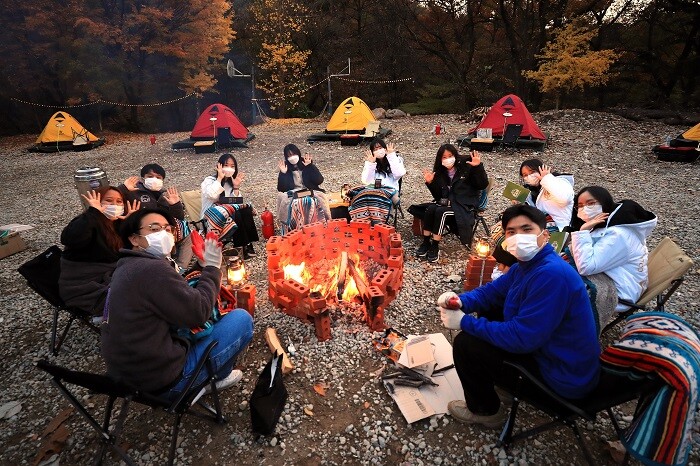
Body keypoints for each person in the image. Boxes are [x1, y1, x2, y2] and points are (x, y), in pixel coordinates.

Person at [437, 204, 600, 428]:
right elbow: (492, 292)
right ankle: (503, 386)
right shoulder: (527, 265)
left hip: (561, 377)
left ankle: (485, 411)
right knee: (492, 307)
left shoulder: (551, 275)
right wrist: (461, 300)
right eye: (511, 232)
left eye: (526, 229)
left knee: (466, 343)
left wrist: (465, 322)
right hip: (549, 352)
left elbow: (522, 338)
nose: (518, 237)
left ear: (544, 235)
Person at [101, 208, 254, 401]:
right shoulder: (151, 269)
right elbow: (199, 312)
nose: (164, 234)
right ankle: (211, 379)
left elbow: (174, 294)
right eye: (155, 228)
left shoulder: (127, 267)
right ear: (134, 239)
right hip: (165, 383)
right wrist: (213, 268)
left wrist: (201, 266)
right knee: (241, 319)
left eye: (167, 229)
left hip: (126, 380)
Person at [570, 186, 657, 312]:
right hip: (614, 278)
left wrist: (583, 231)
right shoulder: (607, 224)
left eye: (591, 203)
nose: (585, 209)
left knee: (557, 285)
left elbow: (586, 266)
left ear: (604, 203)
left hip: (619, 293)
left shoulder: (618, 235)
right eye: (580, 205)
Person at [59, 187, 139, 317]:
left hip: (108, 278)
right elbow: (69, 238)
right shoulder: (88, 222)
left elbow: (127, 250)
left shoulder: (115, 225)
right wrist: (94, 213)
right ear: (98, 203)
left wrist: (130, 223)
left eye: (119, 202)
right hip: (87, 288)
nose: (115, 205)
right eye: (108, 200)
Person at [414, 144, 488, 262]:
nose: (447, 159)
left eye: (450, 156)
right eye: (444, 157)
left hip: (464, 206)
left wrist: (478, 167)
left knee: (440, 211)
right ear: (440, 159)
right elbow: (438, 196)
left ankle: (435, 246)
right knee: (430, 209)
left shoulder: (467, 167)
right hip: (447, 204)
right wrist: (430, 183)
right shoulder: (440, 173)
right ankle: (426, 242)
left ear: (455, 156)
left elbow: (482, 184)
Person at [119, 163, 192, 269]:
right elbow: (111, 200)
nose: (154, 179)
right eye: (150, 176)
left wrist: (175, 205)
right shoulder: (133, 192)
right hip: (141, 231)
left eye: (158, 177)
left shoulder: (165, 195)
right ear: (143, 178)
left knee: (186, 230)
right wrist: (123, 189)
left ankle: (180, 268)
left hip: (160, 228)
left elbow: (177, 219)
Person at [201, 154, 259, 258]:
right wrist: (219, 178)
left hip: (229, 214)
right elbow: (212, 195)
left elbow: (237, 202)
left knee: (245, 209)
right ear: (219, 166)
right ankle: (241, 245)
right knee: (235, 211)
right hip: (212, 217)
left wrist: (236, 187)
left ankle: (248, 243)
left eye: (232, 166)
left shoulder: (230, 183)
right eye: (226, 165)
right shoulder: (209, 181)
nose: (229, 168)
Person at [347, 138, 406, 225]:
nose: (378, 150)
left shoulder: (395, 158)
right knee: (362, 196)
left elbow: (399, 174)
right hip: (373, 188)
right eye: (375, 149)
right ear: (372, 152)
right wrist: (371, 164)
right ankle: (364, 221)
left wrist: (391, 156)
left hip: (390, 190)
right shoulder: (371, 161)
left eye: (380, 148)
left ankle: (378, 221)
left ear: (385, 148)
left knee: (374, 195)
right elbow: (366, 181)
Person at [276, 144, 331, 233]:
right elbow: (281, 188)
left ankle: (317, 225)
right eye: (289, 155)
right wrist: (283, 174)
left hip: (309, 190)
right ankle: (295, 228)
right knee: (291, 203)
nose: (292, 157)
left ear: (298, 153)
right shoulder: (286, 167)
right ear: (286, 157)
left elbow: (319, 180)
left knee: (312, 202)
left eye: (294, 154)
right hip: (293, 192)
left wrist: (310, 166)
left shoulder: (305, 163)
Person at [518, 158, 574, 231]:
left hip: (561, 230)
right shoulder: (530, 194)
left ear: (540, 169)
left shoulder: (559, 182)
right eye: (525, 175)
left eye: (532, 172)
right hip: (542, 230)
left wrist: (546, 179)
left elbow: (564, 199)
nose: (529, 176)